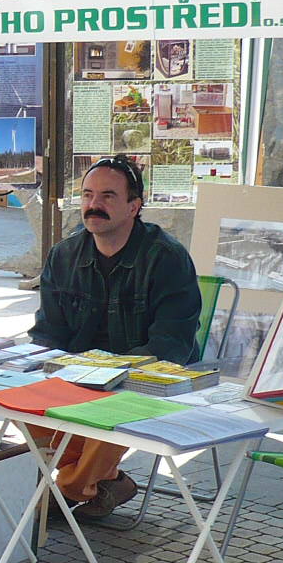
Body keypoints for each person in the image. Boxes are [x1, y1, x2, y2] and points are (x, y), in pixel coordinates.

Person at [29, 155, 202, 518]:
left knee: (108, 412)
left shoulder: (166, 258)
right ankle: (106, 481)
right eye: (88, 195)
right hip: (79, 376)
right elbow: (48, 333)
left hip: (144, 377)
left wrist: (108, 375)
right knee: (22, 405)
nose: (94, 205)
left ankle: (66, 491)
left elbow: (171, 345)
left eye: (108, 196)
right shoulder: (63, 255)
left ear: (134, 206)